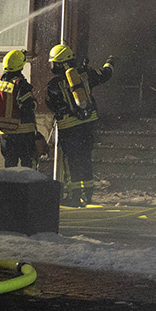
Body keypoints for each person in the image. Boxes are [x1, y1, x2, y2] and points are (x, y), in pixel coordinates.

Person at [44, 42, 112, 207]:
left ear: (60, 64)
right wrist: (110, 62)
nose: (52, 67)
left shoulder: (53, 84)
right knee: (85, 158)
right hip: (87, 125)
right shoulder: (84, 74)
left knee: (72, 162)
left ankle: (74, 196)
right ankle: (88, 195)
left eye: (54, 63)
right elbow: (104, 75)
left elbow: (52, 105)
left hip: (68, 128)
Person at [0, 49, 42, 169]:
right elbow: (28, 106)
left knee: (9, 165)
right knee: (27, 165)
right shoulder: (20, 84)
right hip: (23, 133)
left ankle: (9, 182)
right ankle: (25, 182)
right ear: (20, 66)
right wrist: (34, 103)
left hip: (4, 134)